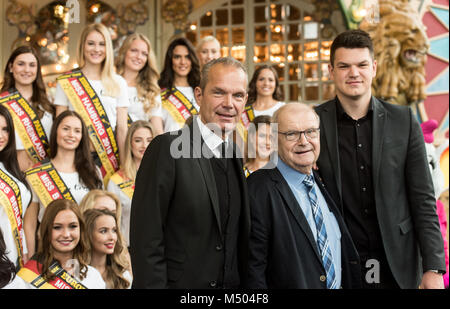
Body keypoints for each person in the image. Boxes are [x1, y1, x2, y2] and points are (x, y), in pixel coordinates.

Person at [315, 29, 446, 289]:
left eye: (362, 65)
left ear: (373, 67)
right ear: (331, 71)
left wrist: (433, 268)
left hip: (397, 261)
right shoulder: (313, 122)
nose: (354, 73)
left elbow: (423, 199)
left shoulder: (404, 120)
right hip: (340, 263)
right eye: (344, 66)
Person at [130, 57, 250, 289]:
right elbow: (146, 241)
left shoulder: (235, 154)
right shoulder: (166, 148)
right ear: (198, 95)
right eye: (219, 93)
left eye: (237, 95)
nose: (229, 104)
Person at [247, 103, 361, 289]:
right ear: (274, 139)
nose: (304, 141)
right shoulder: (258, 190)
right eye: (292, 134)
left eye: (311, 131)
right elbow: (254, 272)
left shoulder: (320, 181)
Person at [53, 23, 129, 185]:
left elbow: (122, 129)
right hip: (75, 157)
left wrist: (124, 166)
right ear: (82, 46)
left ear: (108, 48)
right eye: (91, 43)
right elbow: (59, 125)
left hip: (109, 160)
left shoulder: (119, 82)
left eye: (102, 44)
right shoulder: (67, 81)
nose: (96, 49)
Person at [23, 110, 103, 259]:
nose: (71, 135)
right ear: (56, 131)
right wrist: (31, 256)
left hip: (87, 251)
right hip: (49, 251)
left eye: (77, 131)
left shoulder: (94, 172)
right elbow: (31, 222)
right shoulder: (37, 174)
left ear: (82, 136)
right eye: (66, 129)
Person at [9, 199, 105, 289]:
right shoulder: (26, 278)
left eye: (73, 226)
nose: (66, 234)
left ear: (81, 230)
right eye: (57, 227)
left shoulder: (93, 276)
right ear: (46, 231)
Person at [0, 45, 54, 171]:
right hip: (11, 174)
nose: (26, 70)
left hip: (43, 177)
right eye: (21, 64)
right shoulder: (2, 102)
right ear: (11, 67)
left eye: (32, 65)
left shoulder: (48, 104)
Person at [107, 120, 154, 246]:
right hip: (129, 250)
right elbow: (112, 223)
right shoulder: (116, 181)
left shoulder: (166, 176)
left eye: (149, 140)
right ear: (130, 144)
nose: (144, 145)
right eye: (138, 140)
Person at [0, 105, 32, 269]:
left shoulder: (9, 168)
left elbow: (18, 217)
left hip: (16, 254)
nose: (1, 136)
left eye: (5, 129)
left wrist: (24, 250)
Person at [116, 33, 163, 135]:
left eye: (144, 54)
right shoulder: (110, 82)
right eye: (134, 51)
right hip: (109, 146)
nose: (138, 57)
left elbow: (157, 129)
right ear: (124, 52)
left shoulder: (151, 88)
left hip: (140, 147)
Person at [158, 37, 201, 133]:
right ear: (170, 60)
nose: (183, 62)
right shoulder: (160, 92)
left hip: (198, 146)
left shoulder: (200, 90)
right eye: (177, 57)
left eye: (187, 57)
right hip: (170, 146)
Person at [237, 65, 284, 147]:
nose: (266, 83)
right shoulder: (244, 111)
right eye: (261, 79)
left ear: (276, 84)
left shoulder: (283, 109)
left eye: (271, 80)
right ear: (255, 83)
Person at [84, 208, 132, 289]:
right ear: (88, 235)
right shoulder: (75, 272)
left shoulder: (122, 275)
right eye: (103, 231)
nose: (112, 237)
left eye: (114, 230)